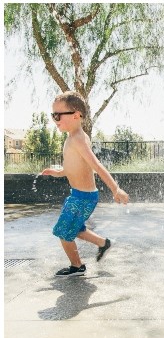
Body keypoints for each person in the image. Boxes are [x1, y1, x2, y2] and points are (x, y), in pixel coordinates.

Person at [40, 91, 130, 277]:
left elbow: (96, 165)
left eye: (58, 115)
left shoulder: (78, 139)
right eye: (52, 115)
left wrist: (115, 188)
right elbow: (75, 167)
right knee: (77, 229)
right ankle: (103, 243)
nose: (55, 119)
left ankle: (77, 266)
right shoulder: (73, 137)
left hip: (83, 197)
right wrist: (59, 172)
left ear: (76, 115)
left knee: (64, 232)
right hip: (80, 195)